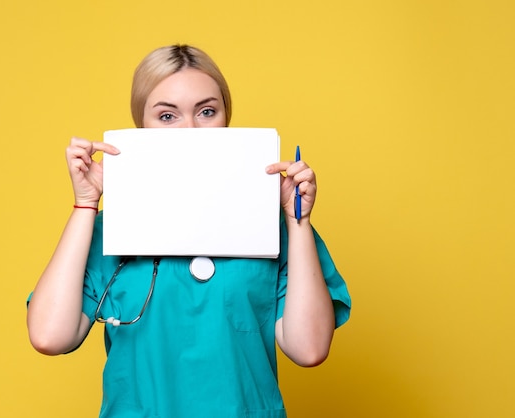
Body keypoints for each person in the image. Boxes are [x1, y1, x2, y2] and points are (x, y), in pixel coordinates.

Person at [27, 44, 351, 418]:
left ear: (226, 120)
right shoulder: (105, 232)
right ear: (141, 128)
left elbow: (309, 349)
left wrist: (298, 221)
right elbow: (50, 337)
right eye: (167, 116)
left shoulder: (276, 227)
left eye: (207, 112)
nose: (190, 130)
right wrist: (86, 203)